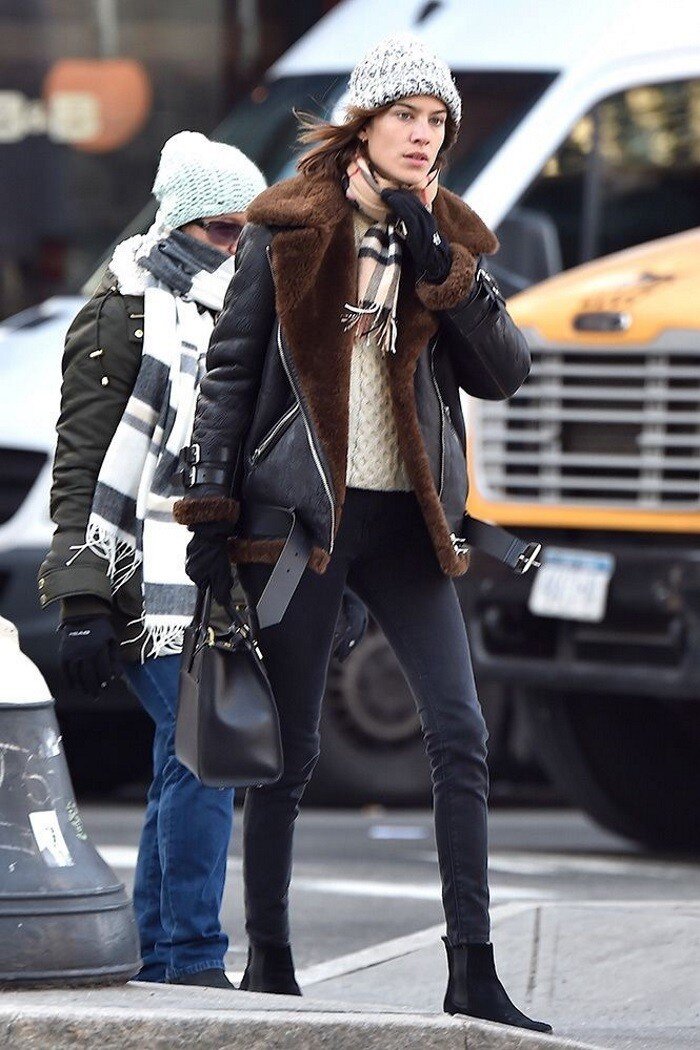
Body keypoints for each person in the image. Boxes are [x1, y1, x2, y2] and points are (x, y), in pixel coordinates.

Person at [175, 36, 552, 1033]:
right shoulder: (289, 228)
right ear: (365, 123)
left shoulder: (450, 237)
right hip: (307, 523)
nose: (423, 136)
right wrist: (210, 511)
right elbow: (228, 374)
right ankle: (270, 962)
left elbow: (505, 371)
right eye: (405, 116)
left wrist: (441, 266)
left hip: (410, 524)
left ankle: (472, 969)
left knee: (461, 734)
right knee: (290, 751)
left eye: (437, 121)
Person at [38, 131, 267, 988]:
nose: (237, 248)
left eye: (250, 233)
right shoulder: (119, 314)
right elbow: (81, 468)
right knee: (204, 753)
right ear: (176, 224)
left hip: (209, 571)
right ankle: (192, 955)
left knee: (186, 757)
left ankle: (158, 954)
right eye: (221, 229)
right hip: (139, 574)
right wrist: (82, 601)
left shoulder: (246, 315)